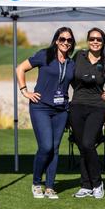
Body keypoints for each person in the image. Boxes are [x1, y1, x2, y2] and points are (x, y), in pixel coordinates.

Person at [16, 27, 76, 199]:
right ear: (56, 40)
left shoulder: (71, 64)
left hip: (61, 110)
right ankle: (36, 183)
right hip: (40, 107)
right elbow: (20, 68)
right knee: (46, 147)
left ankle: (50, 187)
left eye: (69, 40)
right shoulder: (45, 55)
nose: (65, 42)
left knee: (55, 149)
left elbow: (77, 86)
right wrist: (25, 91)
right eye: (62, 39)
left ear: (72, 43)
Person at [70, 27, 105, 199]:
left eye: (99, 39)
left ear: (103, 43)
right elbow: (70, 78)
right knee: (82, 147)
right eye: (92, 39)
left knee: (88, 144)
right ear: (88, 41)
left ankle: (97, 183)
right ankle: (86, 185)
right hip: (77, 106)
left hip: (97, 107)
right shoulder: (78, 56)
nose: (95, 41)